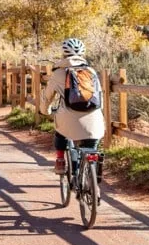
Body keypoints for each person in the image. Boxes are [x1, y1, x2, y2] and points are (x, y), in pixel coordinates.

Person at [41, 38, 105, 174]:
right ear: (82, 54)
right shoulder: (91, 72)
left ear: (63, 54)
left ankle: (60, 161)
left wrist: (45, 111)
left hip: (68, 119)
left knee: (60, 131)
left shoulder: (58, 73)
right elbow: (100, 97)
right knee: (91, 144)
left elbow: (47, 97)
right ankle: (91, 175)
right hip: (93, 118)